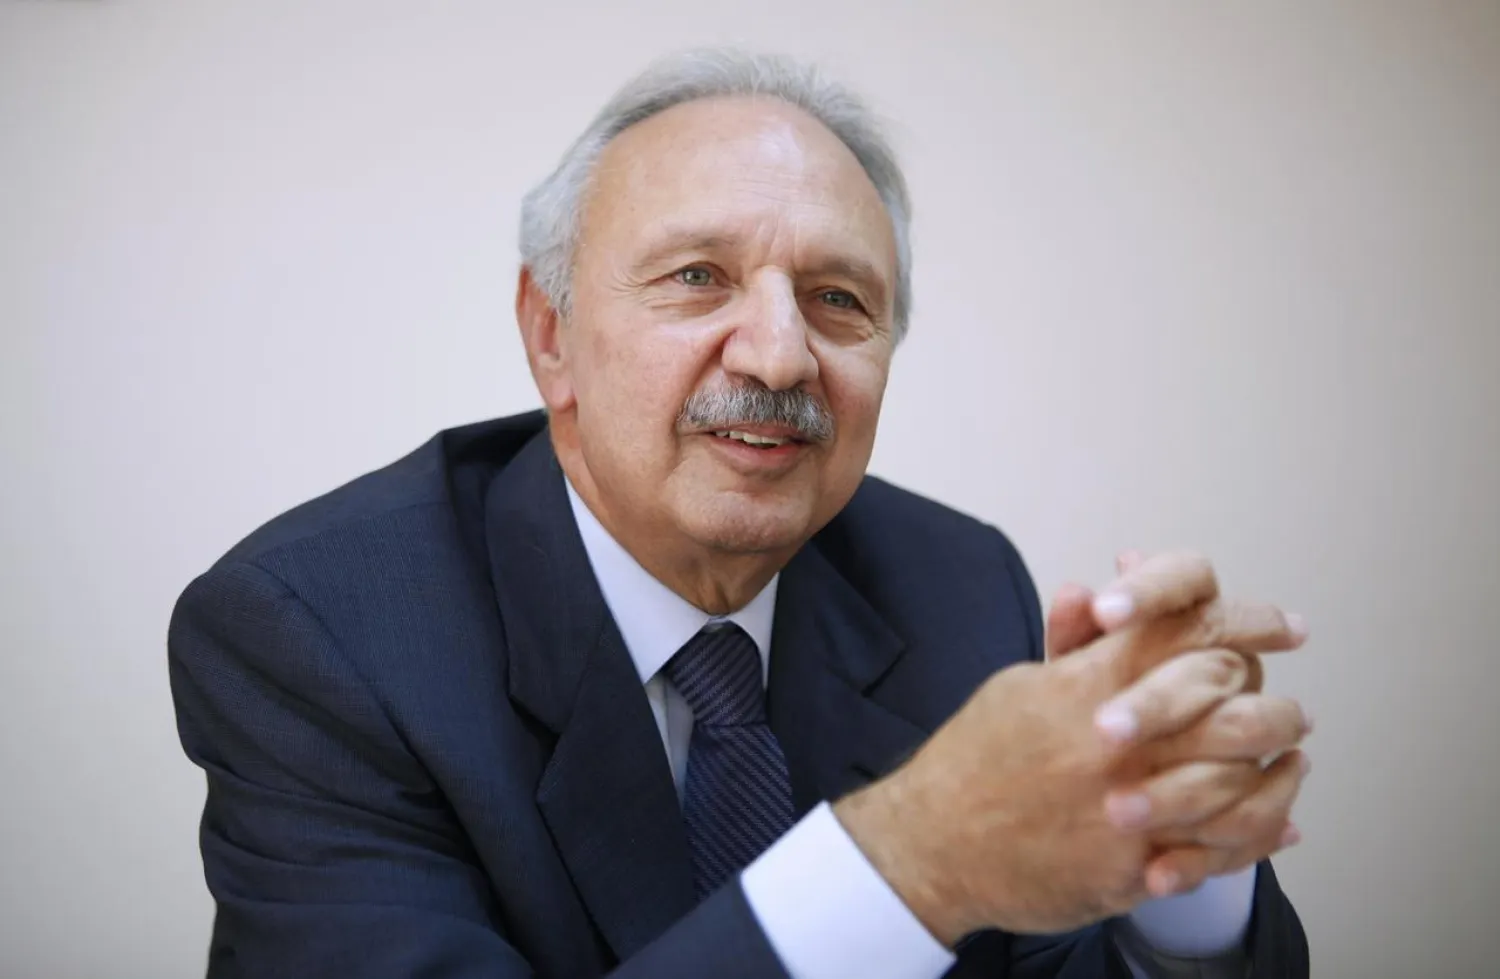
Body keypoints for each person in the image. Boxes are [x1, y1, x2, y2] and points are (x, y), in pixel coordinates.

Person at [168, 49, 1312, 978]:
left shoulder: (957, 581)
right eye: (697, 278)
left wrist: (1181, 862)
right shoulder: (318, 634)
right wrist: (910, 860)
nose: (778, 354)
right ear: (551, 334)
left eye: (836, 300)